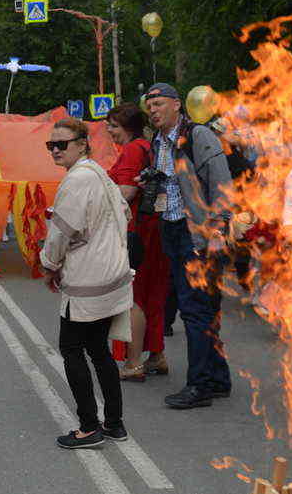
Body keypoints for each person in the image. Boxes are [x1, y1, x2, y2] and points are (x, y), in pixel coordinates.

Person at [40, 117, 133, 449]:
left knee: (71, 348)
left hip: (88, 279)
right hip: (112, 273)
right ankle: (115, 423)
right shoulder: (97, 172)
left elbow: (60, 234)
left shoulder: (77, 180)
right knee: (98, 349)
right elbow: (125, 211)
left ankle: (88, 427)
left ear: (81, 144)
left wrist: (49, 266)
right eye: (51, 145)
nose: (54, 150)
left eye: (61, 144)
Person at [143, 83, 234, 409]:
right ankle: (219, 379)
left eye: (159, 103)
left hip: (198, 233)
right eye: (149, 104)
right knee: (203, 311)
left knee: (195, 312)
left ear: (177, 105)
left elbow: (222, 185)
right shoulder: (158, 141)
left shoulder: (198, 136)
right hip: (172, 229)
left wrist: (218, 228)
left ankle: (199, 387)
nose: (153, 109)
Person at [105, 104, 171, 381]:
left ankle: (133, 363)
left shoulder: (133, 150)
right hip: (154, 228)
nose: (109, 131)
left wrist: (99, 199)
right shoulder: (150, 146)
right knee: (153, 293)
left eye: (114, 126)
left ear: (128, 127)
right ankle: (156, 355)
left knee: (131, 297)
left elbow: (127, 191)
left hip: (135, 230)